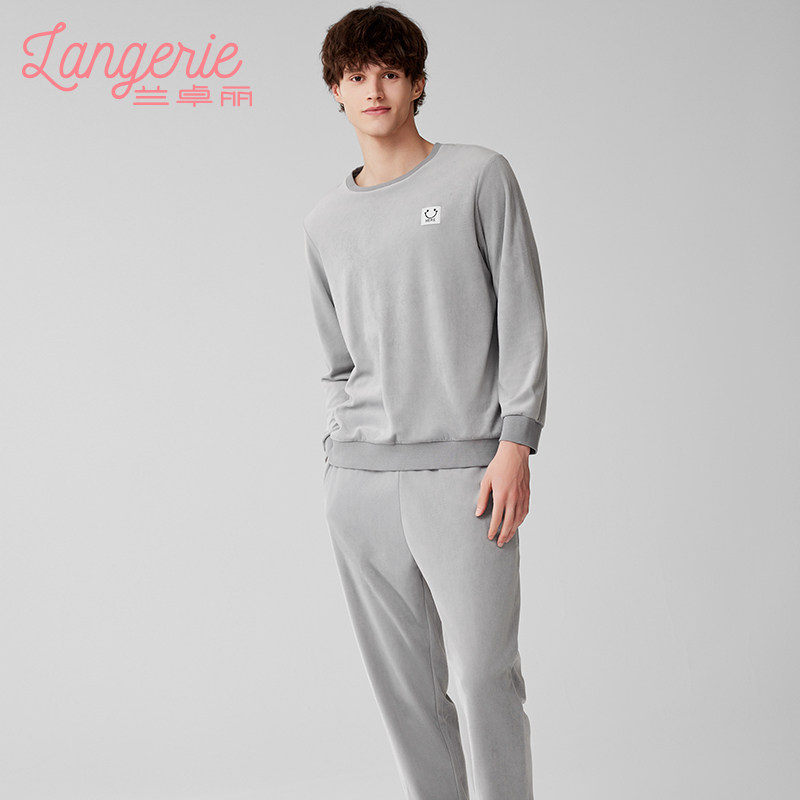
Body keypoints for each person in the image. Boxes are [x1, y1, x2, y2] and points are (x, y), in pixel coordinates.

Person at [302, 5, 548, 799]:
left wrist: (516, 441)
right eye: (357, 75)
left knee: (483, 678)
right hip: (360, 483)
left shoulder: (478, 177)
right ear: (336, 91)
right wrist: (341, 462)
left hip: (468, 475)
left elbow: (522, 316)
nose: (374, 89)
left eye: (390, 73)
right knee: (407, 697)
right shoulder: (325, 221)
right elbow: (337, 361)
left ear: (416, 84)